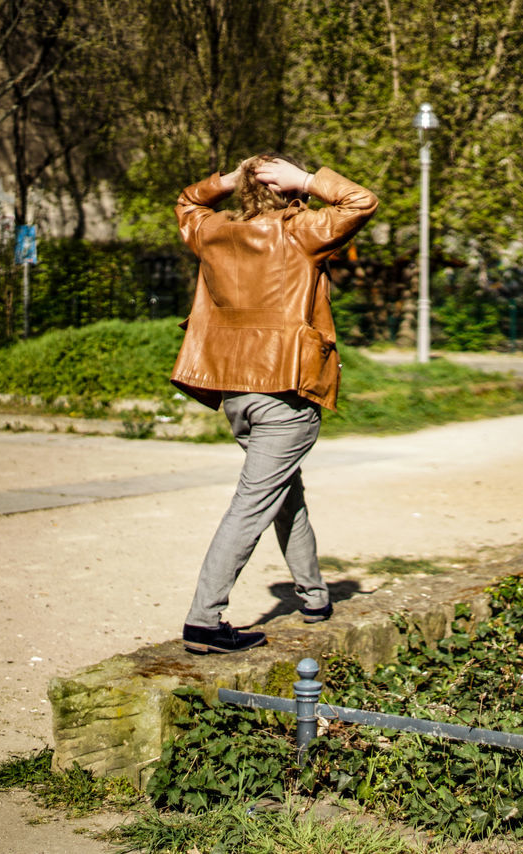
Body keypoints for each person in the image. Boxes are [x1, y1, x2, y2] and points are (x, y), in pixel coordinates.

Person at [170, 153, 379, 654]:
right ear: (292, 194)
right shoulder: (301, 231)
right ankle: (204, 619)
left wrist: (228, 178)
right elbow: (362, 201)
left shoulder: (214, 231)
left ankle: (313, 596)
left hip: (236, 394)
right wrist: (306, 177)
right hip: (284, 390)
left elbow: (186, 201)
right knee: (252, 504)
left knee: (284, 493)